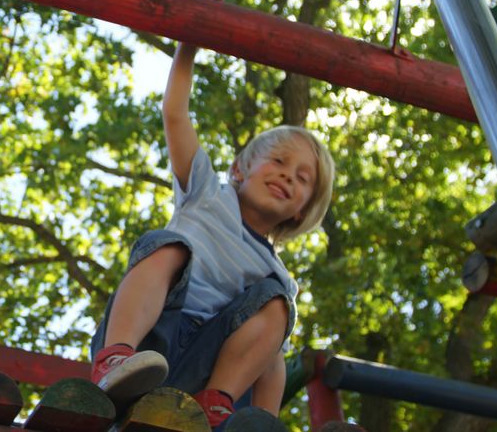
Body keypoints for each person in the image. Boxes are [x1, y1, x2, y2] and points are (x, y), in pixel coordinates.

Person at [90, 40, 335, 428]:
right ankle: (113, 359)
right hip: (149, 343)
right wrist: (188, 46)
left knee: (278, 307)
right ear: (238, 169)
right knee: (167, 245)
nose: (288, 175)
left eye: (302, 178)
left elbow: (270, 364)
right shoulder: (206, 193)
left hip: (203, 369)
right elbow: (174, 114)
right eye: (278, 161)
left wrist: (262, 421)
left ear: (302, 208)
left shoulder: (277, 281)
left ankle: (215, 404)